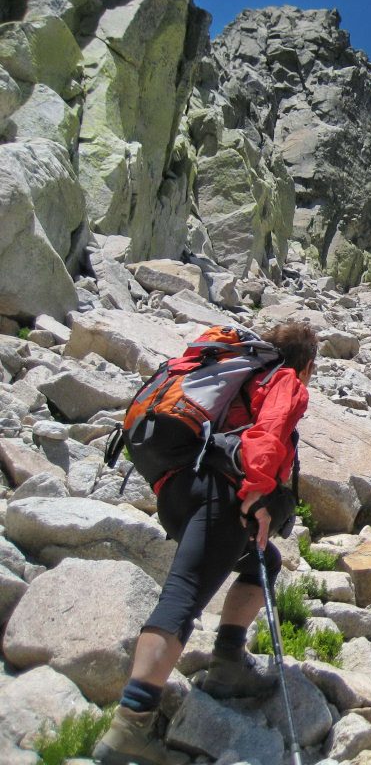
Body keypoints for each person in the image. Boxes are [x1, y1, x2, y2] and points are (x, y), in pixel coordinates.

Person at [94, 322, 318, 765]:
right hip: (223, 498)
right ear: (307, 363)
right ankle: (130, 728)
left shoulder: (235, 376)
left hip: (178, 492)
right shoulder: (284, 380)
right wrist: (256, 493)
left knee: (264, 561)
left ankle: (227, 664)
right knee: (182, 598)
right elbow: (269, 433)